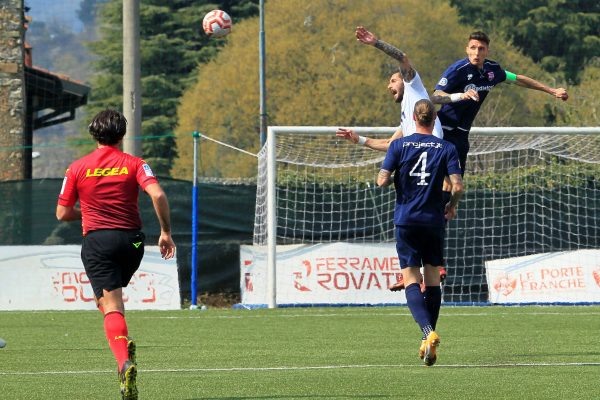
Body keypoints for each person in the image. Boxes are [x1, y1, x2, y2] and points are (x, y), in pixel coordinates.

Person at [56, 109, 176, 400]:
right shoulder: (135, 164)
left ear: (93, 135)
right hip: (132, 242)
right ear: (122, 135)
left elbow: (62, 213)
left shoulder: (77, 168)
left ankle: (124, 362)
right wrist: (166, 232)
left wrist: (86, 213)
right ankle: (123, 343)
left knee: (110, 306)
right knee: (112, 300)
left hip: (98, 241)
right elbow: (158, 195)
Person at [336, 26, 450, 290]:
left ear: (404, 80)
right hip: (422, 165)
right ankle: (416, 271)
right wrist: (360, 140)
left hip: (432, 161)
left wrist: (376, 43)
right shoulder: (408, 118)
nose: (389, 86)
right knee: (412, 218)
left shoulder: (414, 87)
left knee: (418, 213)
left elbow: (403, 58)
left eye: (392, 80)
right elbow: (390, 144)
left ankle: (426, 269)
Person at [377, 99, 463, 366]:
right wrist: (451, 206)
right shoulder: (447, 147)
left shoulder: (399, 145)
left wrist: (395, 175)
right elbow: (457, 186)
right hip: (433, 220)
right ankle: (428, 343)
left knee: (411, 279)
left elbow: (381, 181)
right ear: (434, 117)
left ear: (414, 118)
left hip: (406, 220)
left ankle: (428, 333)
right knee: (433, 279)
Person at [431, 30, 569, 175]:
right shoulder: (457, 70)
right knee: (439, 179)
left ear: (487, 52)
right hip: (443, 129)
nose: (476, 52)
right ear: (467, 49)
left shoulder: (493, 70)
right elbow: (435, 96)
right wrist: (460, 96)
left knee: (456, 186)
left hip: (462, 133)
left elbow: (518, 79)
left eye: (481, 49)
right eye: (473, 48)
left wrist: (551, 90)